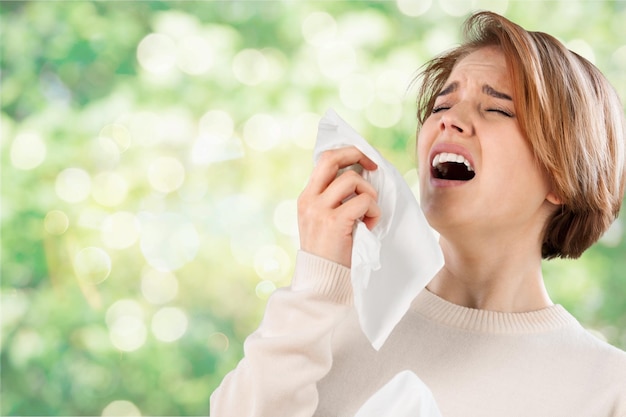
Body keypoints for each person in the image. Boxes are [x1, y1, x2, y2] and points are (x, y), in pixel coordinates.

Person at [210, 11, 626, 417]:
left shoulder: (607, 388)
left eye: (496, 109)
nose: (450, 122)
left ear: (563, 173)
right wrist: (316, 278)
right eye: (441, 106)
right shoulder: (328, 318)